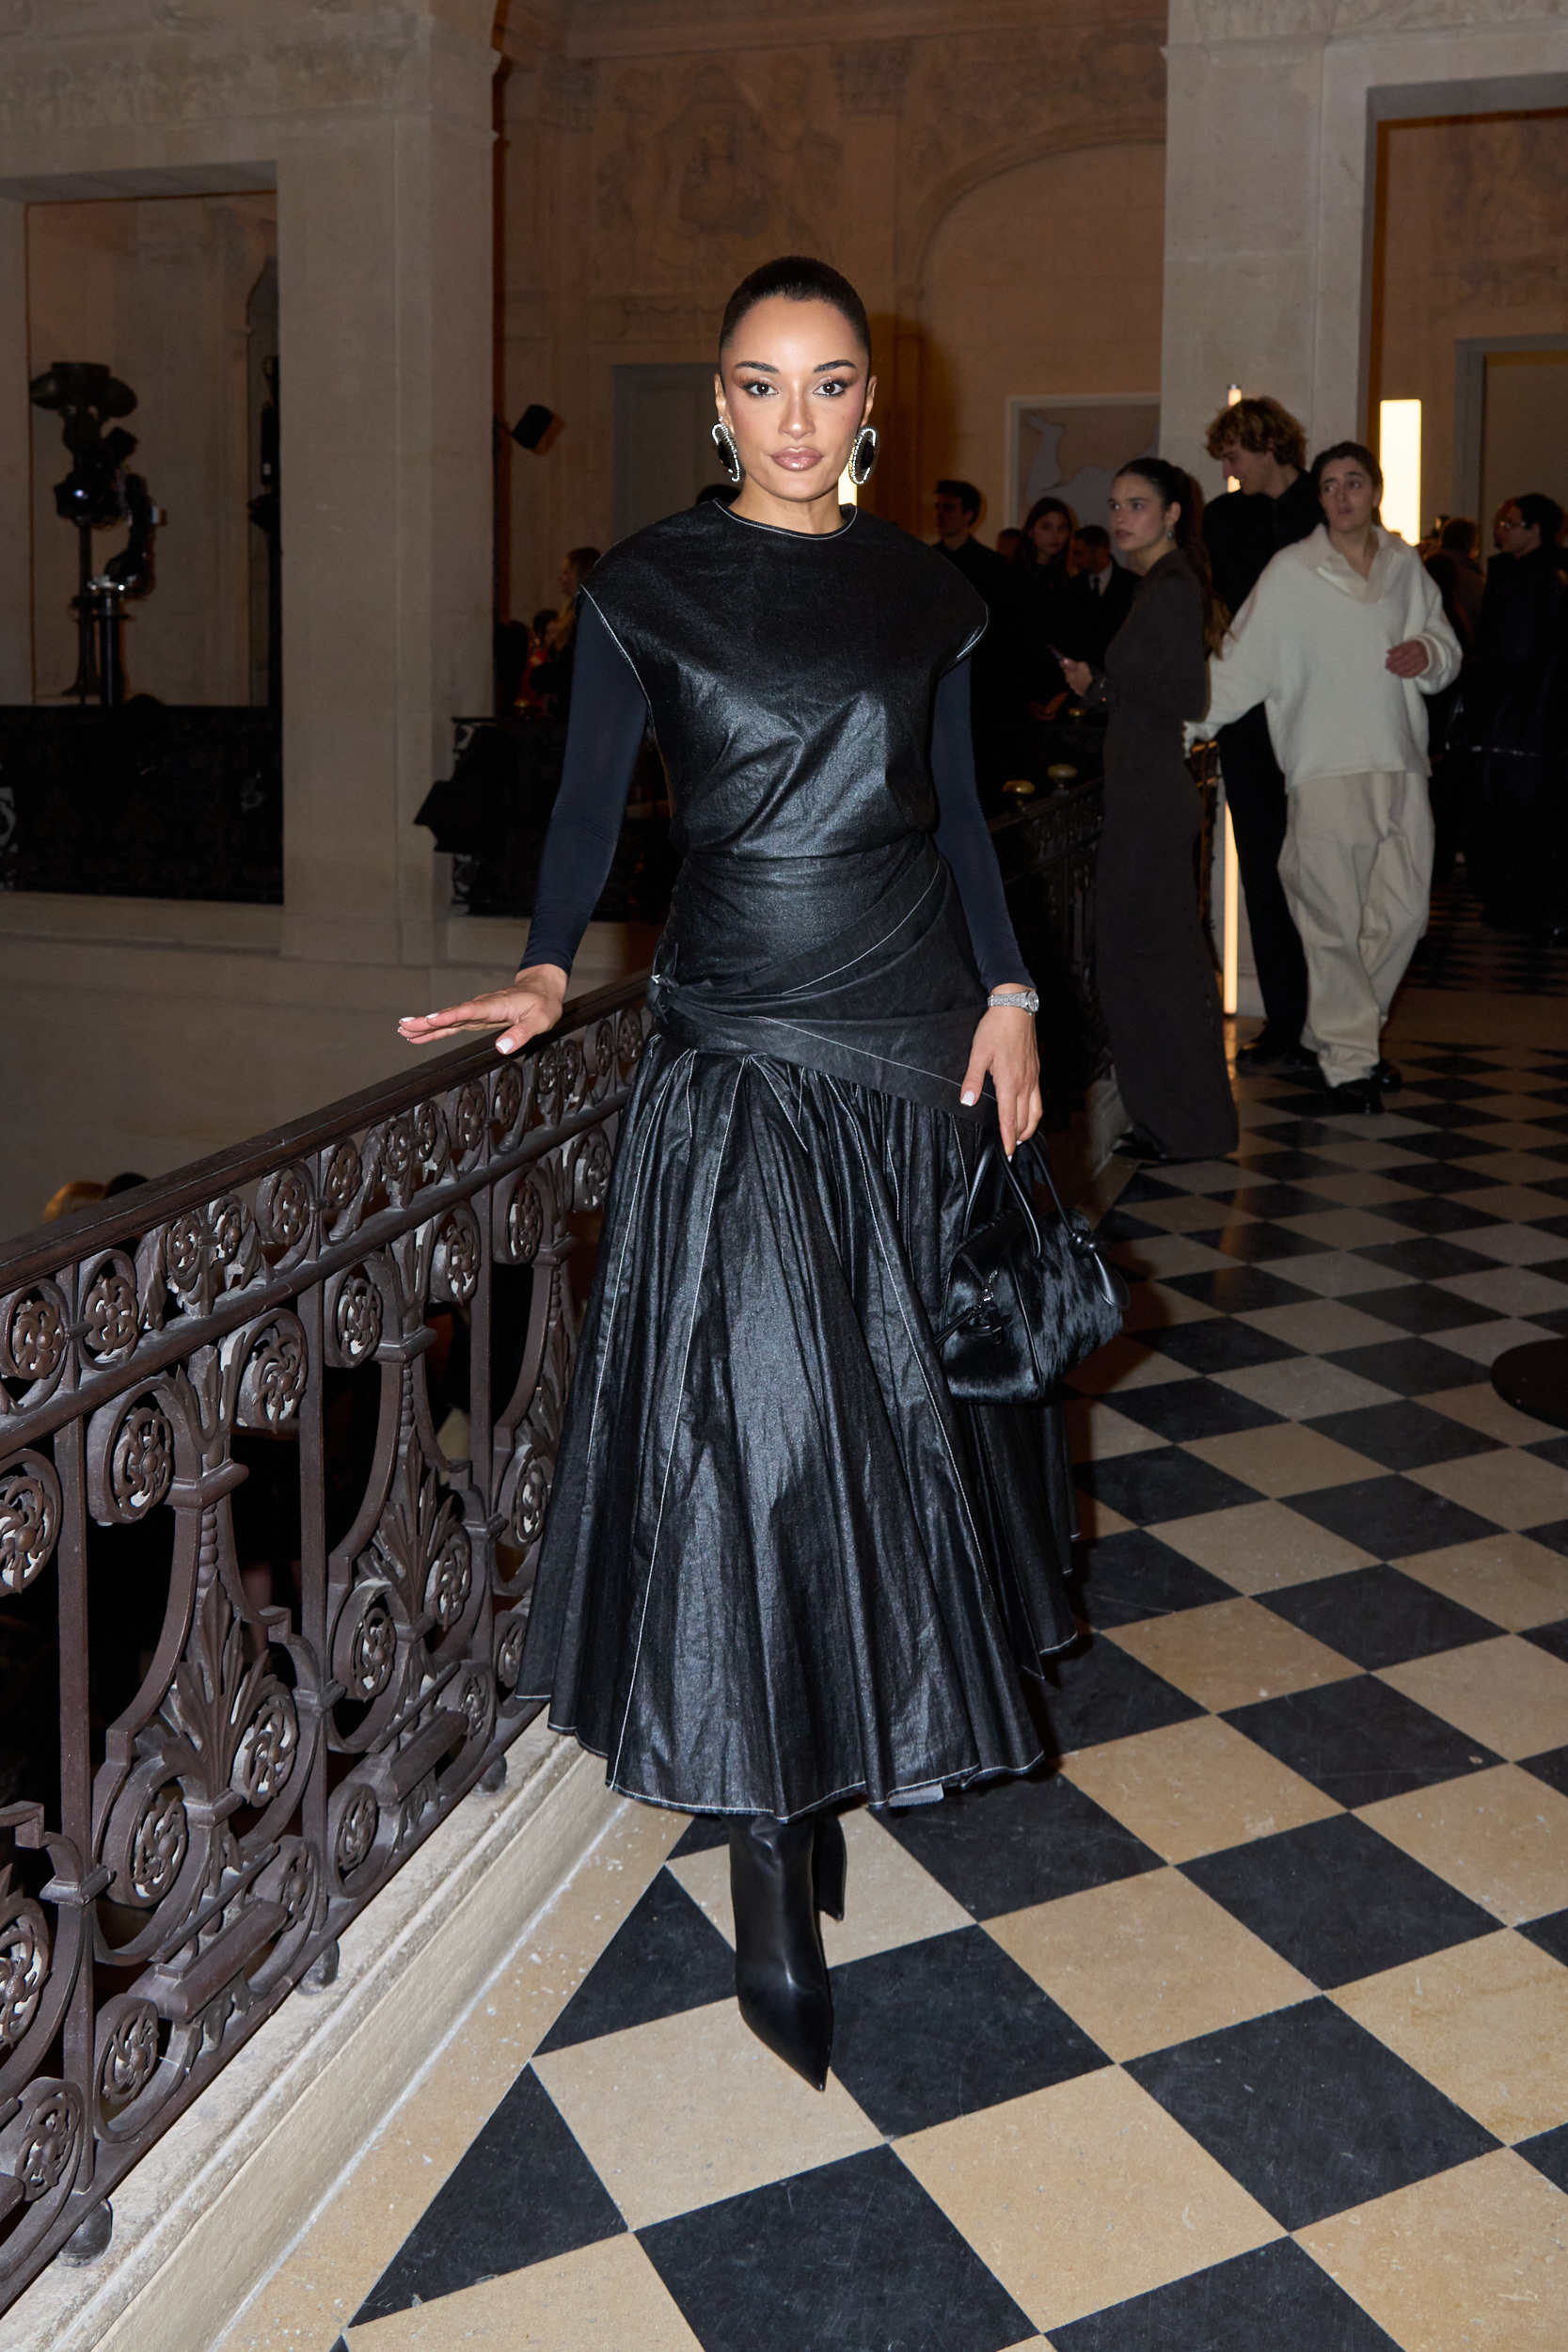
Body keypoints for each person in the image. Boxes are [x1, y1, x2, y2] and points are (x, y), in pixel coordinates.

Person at [399, 256, 1075, 2095]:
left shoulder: (923, 595)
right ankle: (770, 1826)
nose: (795, 419)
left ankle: (821, 1739)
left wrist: (1008, 997)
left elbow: (952, 814)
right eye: (761, 386)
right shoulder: (648, 585)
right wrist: (549, 961)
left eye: (828, 384)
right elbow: (584, 798)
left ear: (870, 406)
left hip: (905, 1032)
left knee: (879, 1416)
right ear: (717, 402)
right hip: (735, 1042)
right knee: (766, 1431)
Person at [1199, 442, 1462, 1109]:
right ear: (1316, 498)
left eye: (1353, 483)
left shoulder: (1406, 566)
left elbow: (1446, 648)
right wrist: (1173, 728)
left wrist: (1427, 652)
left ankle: (1339, 1033)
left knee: (1402, 918)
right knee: (1332, 924)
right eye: (1328, 486)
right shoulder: (1291, 571)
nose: (1342, 495)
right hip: (1321, 771)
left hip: (1400, 764)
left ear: (1374, 490)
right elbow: (1239, 665)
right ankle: (1349, 1062)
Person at [1058, 460, 1238, 1164]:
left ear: (1170, 516)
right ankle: (1180, 1121)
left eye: (1137, 505)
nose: (1120, 516)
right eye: (1114, 504)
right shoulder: (1159, 586)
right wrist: (1099, 688)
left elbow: (1186, 696)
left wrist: (1106, 679)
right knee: (1149, 962)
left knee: (1142, 965)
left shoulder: (1169, 586)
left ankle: (1182, 1124)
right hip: (1145, 791)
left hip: (1149, 797)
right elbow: (1153, 694)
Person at [1199, 395, 1320, 1073]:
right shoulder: (1223, 518)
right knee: (1266, 875)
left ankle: (1327, 1024)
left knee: (1323, 875)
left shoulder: (1319, 508)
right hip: (1249, 719)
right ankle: (1284, 1021)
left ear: (1267, 445)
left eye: (1233, 452)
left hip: (1313, 714)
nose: (1226, 465)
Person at [1450, 492, 1568, 936]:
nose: (1500, 530)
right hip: (1520, 713)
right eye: (1500, 522)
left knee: (1523, 816)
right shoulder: (1509, 574)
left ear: (1536, 530)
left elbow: (1518, 652)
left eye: (1510, 523)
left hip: (1528, 714)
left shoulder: (1542, 579)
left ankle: (1523, 904)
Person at [930, 479, 1032, 800]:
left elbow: (1004, 636)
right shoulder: (925, 563)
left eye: (949, 508)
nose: (940, 514)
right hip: (935, 684)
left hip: (982, 688)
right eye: (938, 507)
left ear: (968, 515)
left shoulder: (996, 568)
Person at [1061, 525, 1135, 664]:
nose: (1074, 560)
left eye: (1079, 553)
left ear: (1100, 552)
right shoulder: (1071, 587)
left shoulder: (1133, 585)